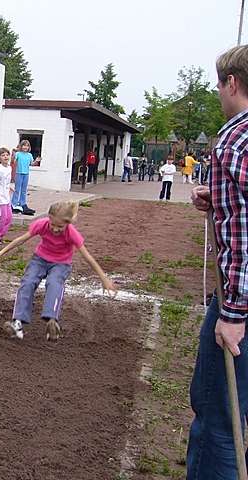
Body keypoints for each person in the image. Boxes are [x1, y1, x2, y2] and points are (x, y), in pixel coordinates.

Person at [187, 45, 248, 478]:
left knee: (219, 419)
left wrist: (234, 312)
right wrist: (222, 200)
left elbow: (245, 239)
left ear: (232, 82)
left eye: (218, 85)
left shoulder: (235, 137)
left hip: (241, 303)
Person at [0, 201, 116, 341]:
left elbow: (87, 257)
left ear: (68, 223)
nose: (55, 229)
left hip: (61, 264)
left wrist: (103, 278)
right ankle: (17, 323)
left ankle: (52, 321)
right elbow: (20, 240)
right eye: (53, 224)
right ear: (49, 218)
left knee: (54, 283)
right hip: (40, 260)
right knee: (27, 282)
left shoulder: (71, 233)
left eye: (60, 227)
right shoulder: (42, 224)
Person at [11, 140, 35, 215]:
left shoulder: (30, 155)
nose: (25, 147)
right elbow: (13, 162)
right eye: (24, 145)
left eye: (27, 146)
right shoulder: (18, 154)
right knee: (17, 190)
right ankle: (14, 204)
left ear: (29, 147)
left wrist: (36, 161)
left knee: (24, 190)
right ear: (21, 146)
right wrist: (13, 155)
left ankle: (23, 204)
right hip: (19, 173)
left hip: (26, 174)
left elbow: (32, 164)